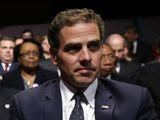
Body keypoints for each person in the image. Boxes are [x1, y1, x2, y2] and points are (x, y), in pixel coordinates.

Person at [9, 8, 158, 120]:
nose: (86, 57)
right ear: (54, 56)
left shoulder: (135, 100)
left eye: (93, 46)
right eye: (73, 48)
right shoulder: (26, 105)